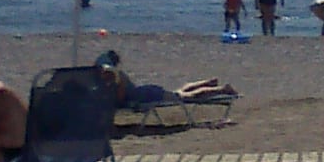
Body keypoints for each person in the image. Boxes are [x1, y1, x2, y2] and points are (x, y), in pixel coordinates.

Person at [94, 51, 238, 107]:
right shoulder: (115, 78)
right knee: (179, 92)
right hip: (146, 92)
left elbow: (120, 98)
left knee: (184, 97)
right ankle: (208, 83)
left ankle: (222, 89)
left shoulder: (116, 78)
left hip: (147, 95)